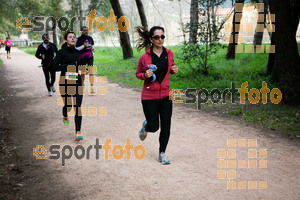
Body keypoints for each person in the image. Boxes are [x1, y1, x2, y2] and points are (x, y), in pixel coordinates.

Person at [135, 26, 178, 165]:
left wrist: (173, 70)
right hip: (149, 96)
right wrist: (144, 75)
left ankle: (162, 153)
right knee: (155, 127)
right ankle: (147, 126)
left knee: (166, 124)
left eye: (162, 36)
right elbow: (138, 74)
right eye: (157, 37)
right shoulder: (144, 57)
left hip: (166, 94)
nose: (160, 40)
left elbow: (169, 69)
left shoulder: (170, 53)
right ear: (151, 39)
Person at [53, 31, 84, 141]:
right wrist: (68, 66)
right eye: (70, 37)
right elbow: (54, 67)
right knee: (69, 106)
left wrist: (82, 69)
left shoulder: (77, 52)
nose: (73, 38)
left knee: (78, 108)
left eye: (74, 37)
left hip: (77, 82)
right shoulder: (61, 52)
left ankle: (78, 132)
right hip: (65, 82)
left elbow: (79, 66)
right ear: (66, 40)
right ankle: (65, 113)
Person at [75, 26, 95, 95]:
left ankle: (92, 87)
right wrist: (83, 46)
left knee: (91, 71)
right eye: (84, 30)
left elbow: (92, 45)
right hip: (81, 57)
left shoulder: (90, 38)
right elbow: (76, 49)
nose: (86, 31)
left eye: (87, 30)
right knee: (83, 73)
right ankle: (82, 85)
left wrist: (92, 48)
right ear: (82, 31)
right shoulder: (78, 39)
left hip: (90, 56)